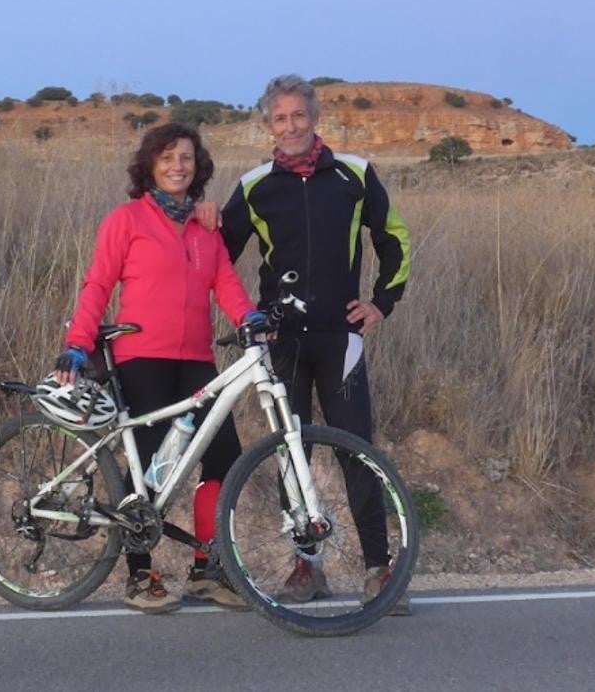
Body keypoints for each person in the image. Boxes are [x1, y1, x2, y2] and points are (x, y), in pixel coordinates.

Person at [218, 74, 413, 604]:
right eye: (279, 118)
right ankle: (308, 567)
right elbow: (219, 257)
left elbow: (392, 236)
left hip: (339, 339)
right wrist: (244, 313)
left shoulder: (354, 174)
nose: (290, 126)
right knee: (290, 454)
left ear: (315, 117)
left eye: (298, 115)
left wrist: (381, 302)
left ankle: (378, 568)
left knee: (358, 453)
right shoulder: (256, 185)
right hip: (280, 343)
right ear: (267, 125)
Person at [54, 123, 262, 614]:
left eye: (186, 158)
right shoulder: (126, 221)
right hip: (142, 358)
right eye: (167, 157)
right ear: (150, 165)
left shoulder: (206, 228)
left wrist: (249, 318)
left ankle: (208, 569)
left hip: (197, 363)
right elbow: (97, 286)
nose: (177, 166)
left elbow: (227, 285)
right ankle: (139, 573)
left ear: (198, 167)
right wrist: (76, 346)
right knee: (149, 469)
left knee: (223, 460)